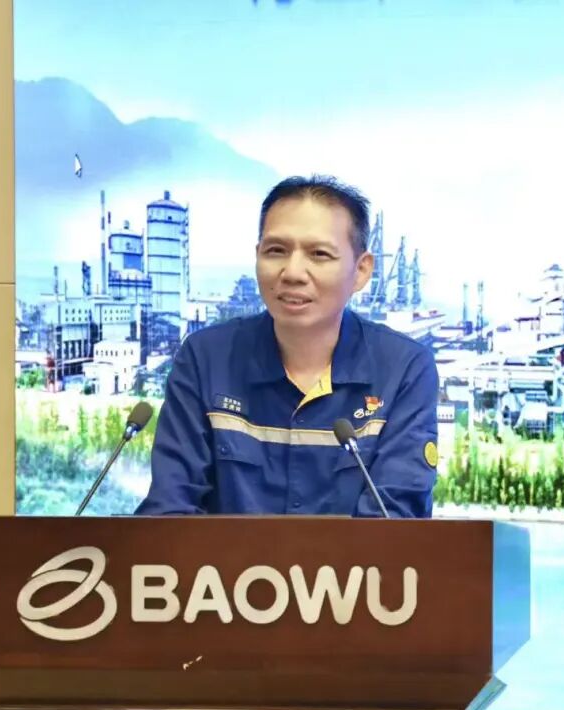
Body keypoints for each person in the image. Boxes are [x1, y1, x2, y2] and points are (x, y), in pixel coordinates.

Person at [135, 175, 439, 518]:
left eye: (319, 254)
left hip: (358, 559)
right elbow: (170, 510)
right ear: (257, 256)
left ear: (361, 271)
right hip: (216, 559)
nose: (292, 272)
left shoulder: (403, 369)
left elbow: (395, 524)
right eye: (276, 251)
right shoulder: (205, 359)